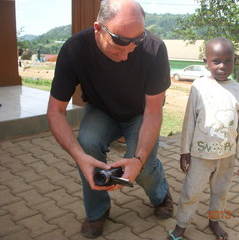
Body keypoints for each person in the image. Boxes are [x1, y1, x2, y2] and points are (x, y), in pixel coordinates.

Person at [47, 0, 173, 238]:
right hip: (101, 110)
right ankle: (97, 212)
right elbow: (55, 111)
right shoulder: (74, 50)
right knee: (88, 146)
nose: (127, 54)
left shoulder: (154, 48)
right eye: (119, 43)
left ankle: (160, 195)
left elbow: (154, 110)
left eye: (136, 42)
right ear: (98, 29)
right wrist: (80, 157)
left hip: (140, 113)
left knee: (143, 166)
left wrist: (138, 158)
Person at [167, 37, 239, 240]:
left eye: (228, 61)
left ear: (234, 61)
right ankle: (181, 225)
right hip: (200, 155)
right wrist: (184, 150)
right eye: (216, 61)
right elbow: (189, 121)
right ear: (206, 61)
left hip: (227, 155)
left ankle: (214, 221)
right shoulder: (199, 86)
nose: (222, 66)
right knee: (191, 191)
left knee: (220, 192)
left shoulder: (238, 89)